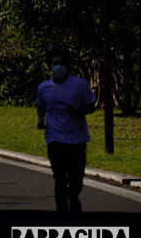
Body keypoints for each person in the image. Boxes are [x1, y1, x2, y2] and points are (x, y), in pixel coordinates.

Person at [36, 46, 96, 213]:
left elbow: (91, 106)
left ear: (68, 66)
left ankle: (73, 196)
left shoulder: (79, 85)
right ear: (49, 66)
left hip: (76, 139)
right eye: (55, 63)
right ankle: (62, 214)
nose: (59, 66)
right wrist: (41, 120)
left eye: (62, 63)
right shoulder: (43, 88)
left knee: (76, 180)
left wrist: (78, 110)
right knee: (59, 178)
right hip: (54, 139)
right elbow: (41, 106)